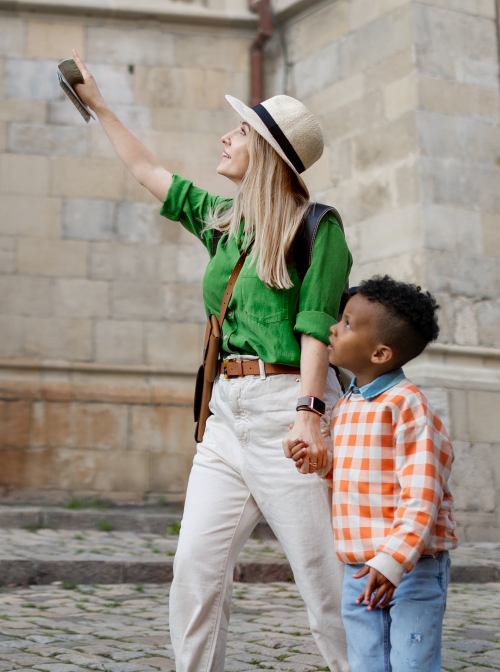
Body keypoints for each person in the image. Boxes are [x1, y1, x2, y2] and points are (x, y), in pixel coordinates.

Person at [70, 49, 351, 672]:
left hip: (289, 412)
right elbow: (146, 169)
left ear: (269, 155)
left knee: (323, 580)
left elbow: (315, 327)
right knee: (195, 571)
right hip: (226, 416)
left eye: (241, 132)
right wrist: (100, 106)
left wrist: (310, 412)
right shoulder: (224, 224)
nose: (226, 137)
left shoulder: (318, 228)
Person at [290, 275, 457, 672]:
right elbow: (350, 475)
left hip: (412, 566)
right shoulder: (347, 405)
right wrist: (319, 462)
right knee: (366, 661)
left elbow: (423, 494)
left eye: (346, 323)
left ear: (380, 353)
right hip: (358, 564)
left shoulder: (406, 405)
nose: (333, 326)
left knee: (412, 661)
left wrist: (393, 560)